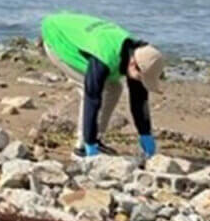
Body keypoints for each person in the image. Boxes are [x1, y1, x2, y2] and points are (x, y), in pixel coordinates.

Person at [40, 11, 164, 158]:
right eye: (141, 78)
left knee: (114, 88)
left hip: (78, 31)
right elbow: (92, 98)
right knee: (89, 88)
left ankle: (96, 139)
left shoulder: (137, 56)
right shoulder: (105, 57)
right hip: (58, 37)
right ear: (133, 64)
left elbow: (139, 100)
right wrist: (89, 143)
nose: (140, 82)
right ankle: (81, 148)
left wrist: (145, 133)